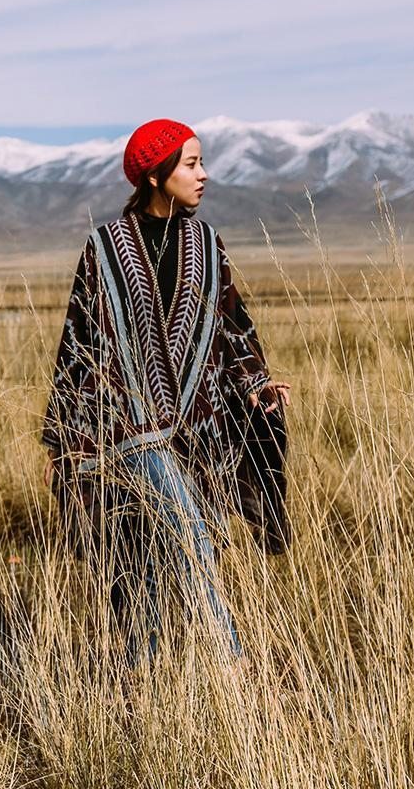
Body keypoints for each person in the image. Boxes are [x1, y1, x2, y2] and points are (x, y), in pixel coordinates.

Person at [41, 118, 291, 669]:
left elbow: (231, 322)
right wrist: (66, 440)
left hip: (196, 430)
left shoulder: (206, 243)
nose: (204, 174)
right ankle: (237, 672)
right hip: (127, 433)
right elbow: (78, 341)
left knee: (147, 569)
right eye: (191, 163)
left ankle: (138, 689)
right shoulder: (105, 249)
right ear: (156, 175)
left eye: (201, 162)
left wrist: (254, 383)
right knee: (192, 541)